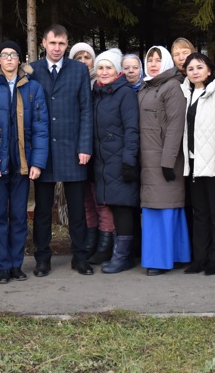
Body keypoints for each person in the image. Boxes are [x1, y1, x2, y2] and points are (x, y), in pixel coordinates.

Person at [0, 41, 49, 283]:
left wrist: (37, 163)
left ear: (20, 60)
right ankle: (3, 266)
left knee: (19, 215)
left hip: (22, 164)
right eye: (4, 55)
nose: (9, 59)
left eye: (13, 55)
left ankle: (17, 264)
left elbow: (40, 128)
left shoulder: (32, 88)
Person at [29, 24, 95, 276]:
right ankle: (42, 258)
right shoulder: (32, 70)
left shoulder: (79, 70)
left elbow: (86, 110)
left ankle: (80, 257)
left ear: (67, 45)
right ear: (43, 44)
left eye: (62, 43)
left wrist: (84, 146)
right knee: (43, 210)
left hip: (72, 150)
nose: (57, 48)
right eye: (52, 43)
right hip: (43, 152)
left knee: (77, 210)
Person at [180, 53, 215, 275]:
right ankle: (199, 257)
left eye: (199, 67)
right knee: (199, 212)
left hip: (214, 163)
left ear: (209, 70)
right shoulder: (186, 93)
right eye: (190, 68)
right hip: (193, 162)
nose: (194, 71)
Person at [138, 46, 190, 275]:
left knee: (163, 208)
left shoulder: (172, 87)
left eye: (158, 60)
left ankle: (160, 260)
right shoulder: (146, 87)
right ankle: (177, 254)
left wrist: (168, 160)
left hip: (162, 159)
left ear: (166, 62)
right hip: (147, 158)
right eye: (150, 60)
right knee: (159, 207)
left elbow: (176, 126)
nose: (153, 64)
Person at [89, 49, 140, 273]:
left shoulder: (124, 93)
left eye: (109, 67)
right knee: (114, 204)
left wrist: (128, 161)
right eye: (100, 67)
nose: (104, 71)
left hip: (120, 159)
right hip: (103, 161)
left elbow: (132, 129)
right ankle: (122, 254)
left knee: (123, 207)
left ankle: (123, 256)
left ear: (118, 70)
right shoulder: (99, 93)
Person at [68, 40, 111, 266]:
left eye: (87, 57)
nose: (84, 62)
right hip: (78, 152)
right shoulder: (72, 81)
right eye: (78, 58)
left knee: (100, 199)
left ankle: (105, 244)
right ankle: (90, 241)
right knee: (85, 200)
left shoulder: (101, 82)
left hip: (100, 151)